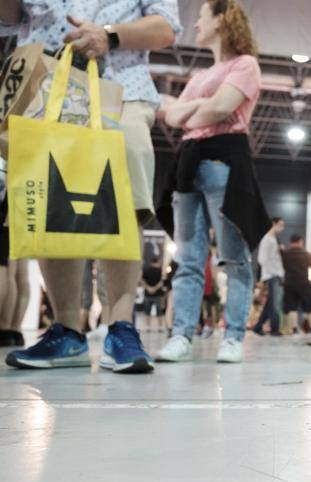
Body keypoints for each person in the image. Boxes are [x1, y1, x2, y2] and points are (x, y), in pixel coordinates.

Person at [1, 0, 181, 373]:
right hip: (46, 84)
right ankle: (67, 329)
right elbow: (8, 20)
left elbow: (165, 26)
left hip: (121, 86)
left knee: (125, 179)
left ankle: (121, 325)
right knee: (50, 196)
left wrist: (110, 37)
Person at [154, 0, 270, 364]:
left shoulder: (245, 64)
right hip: (187, 163)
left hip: (224, 160)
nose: (196, 25)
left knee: (234, 257)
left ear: (222, 19)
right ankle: (181, 335)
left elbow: (220, 109)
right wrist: (193, 110)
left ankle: (233, 335)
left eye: (202, 17)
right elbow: (170, 117)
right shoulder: (200, 76)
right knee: (188, 257)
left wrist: (186, 110)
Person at [253, 217, 285, 336]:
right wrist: (271, 273)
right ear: (273, 224)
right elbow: (262, 259)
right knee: (275, 304)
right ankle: (275, 329)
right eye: (280, 225)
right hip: (272, 276)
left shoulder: (274, 239)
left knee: (271, 304)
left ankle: (258, 327)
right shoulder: (267, 239)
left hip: (276, 275)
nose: (282, 228)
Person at [281, 234, 311, 335]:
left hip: (290, 283)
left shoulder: (285, 254)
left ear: (291, 242)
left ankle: (294, 330)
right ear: (300, 241)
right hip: (304, 282)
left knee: (291, 307)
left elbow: (282, 267)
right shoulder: (306, 254)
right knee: (310, 307)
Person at [141, 257, 165, 332]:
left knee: (147, 311)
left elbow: (142, 280)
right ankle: (160, 327)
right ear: (157, 262)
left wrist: (148, 288)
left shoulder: (146, 270)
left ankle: (148, 326)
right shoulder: (160, 270)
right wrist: (155, 288)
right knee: (159, 312)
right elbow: (162, 281)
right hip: (158, 294)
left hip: (147, 294)